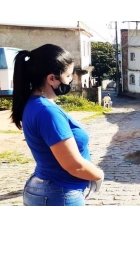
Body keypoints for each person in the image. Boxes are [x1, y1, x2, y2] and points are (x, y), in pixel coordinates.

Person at [11, 44, 104, 206]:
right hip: (59, 193)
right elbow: (73, 165)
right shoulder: (47, 112)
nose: (71, 80)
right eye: (68, 75)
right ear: (52, 79)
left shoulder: (34, 104)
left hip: (50, 189)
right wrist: (98, 175)